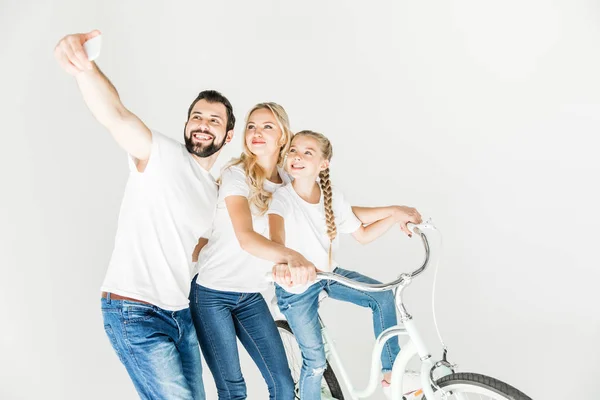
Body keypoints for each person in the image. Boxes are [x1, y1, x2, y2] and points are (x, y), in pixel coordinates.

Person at [54, 29, 236, 399]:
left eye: (213, 121)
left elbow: (197, 254)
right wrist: (85, 68)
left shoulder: (214, 194)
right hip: (134, 312)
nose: (202, 124)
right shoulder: (159, 155)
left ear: (228, 136)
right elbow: (115, 115)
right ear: (187, 124)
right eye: (197, 117)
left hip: (179, 315)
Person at [268, 130, 422, 399]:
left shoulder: (331, 197)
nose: (297, 156)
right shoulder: (282, 198)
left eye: (308, 152)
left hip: (328, 275)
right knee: (315, 363)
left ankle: (390, 374)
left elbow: (362, 234)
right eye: (293, 150)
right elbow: (276, 239)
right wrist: (285, 261)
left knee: (382, 295)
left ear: (323, 164)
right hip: (296, 287)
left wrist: (395, 214)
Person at [190, 103, 306, 399]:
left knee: (282, 383)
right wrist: (292, 258)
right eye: (252, 126)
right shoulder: (236, 175)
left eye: (267, 126)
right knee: (233, 389)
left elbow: (330, 213)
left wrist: (392, 213)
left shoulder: (291, 182)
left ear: (283, 135)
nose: (257, 132)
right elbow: (246, 238)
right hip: (212, 293)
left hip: (252, 296)